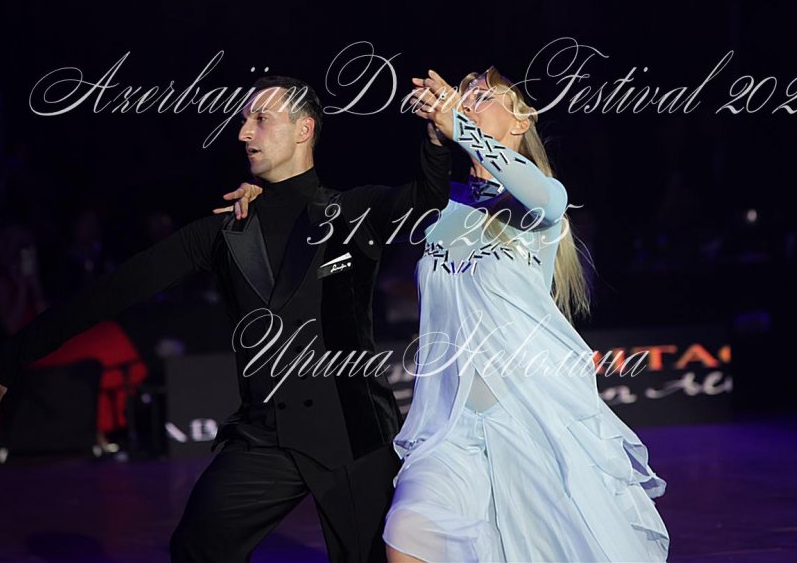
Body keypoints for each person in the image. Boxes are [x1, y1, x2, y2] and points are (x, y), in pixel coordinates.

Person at [0, 75, 453, 563]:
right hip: (266, 436)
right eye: (243, 120)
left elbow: (426, 200)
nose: (244, 132)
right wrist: (9, 358)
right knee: (198, 549)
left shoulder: (350, 212)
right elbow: (116, 290)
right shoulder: (225, 230)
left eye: (261, 119)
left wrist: (435, 138)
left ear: (304, 129)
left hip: (353, 434)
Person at [234, 67, 671, 561]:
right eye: (462, 98)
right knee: (406, 540)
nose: (467, 104)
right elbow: (339, 215)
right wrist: (271, 201)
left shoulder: (540, 202)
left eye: (482, 97)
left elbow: (545, 198)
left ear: (520, 122)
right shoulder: (439, 207)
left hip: (531, 420)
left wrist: (456, 123)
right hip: (448, 427)